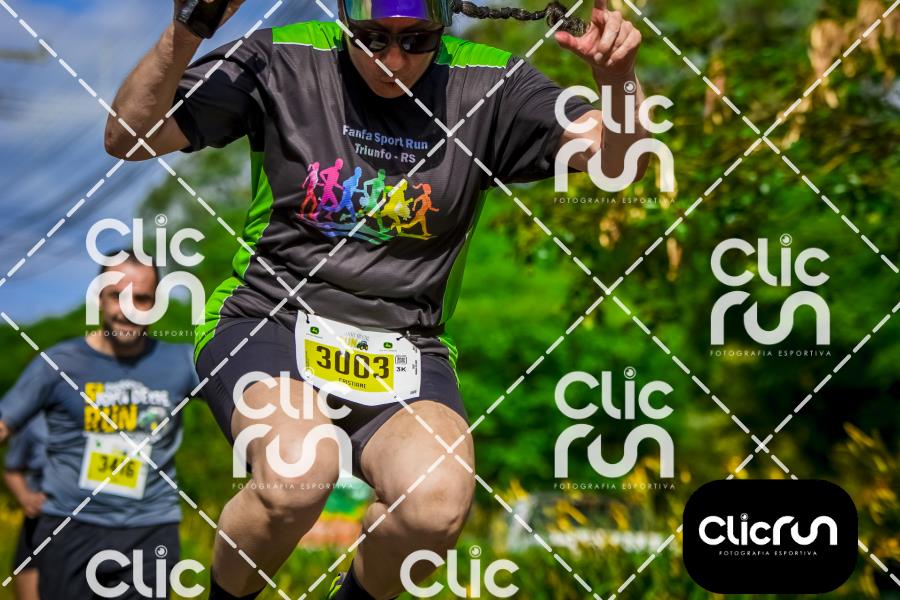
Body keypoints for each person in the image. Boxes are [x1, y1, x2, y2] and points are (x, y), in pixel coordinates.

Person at [104, 0, 647, 597]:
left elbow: (619, 165)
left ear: (444, 24)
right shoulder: (285, 58)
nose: (393, 60)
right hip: (271, 319)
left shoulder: (490, 84)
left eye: (416, 41)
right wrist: (189, 31)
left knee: (436, 506)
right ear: (343, 19)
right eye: (370, 38)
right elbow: (128, 136)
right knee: (296, 474)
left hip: (405, 343)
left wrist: (617, 78)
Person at [0, 251, 199, 599]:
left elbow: (247, 403)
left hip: (150, 531)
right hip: (70, 528)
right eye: (116, 296)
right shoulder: (59, 364)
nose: (128, 310)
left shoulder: (182, 361)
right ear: (98, 298)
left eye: (142, 298)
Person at [3, 414, 48, 600]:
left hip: (96, 525)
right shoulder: (35, 421)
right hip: (41, 523)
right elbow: (12, 469)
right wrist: (26, 497)